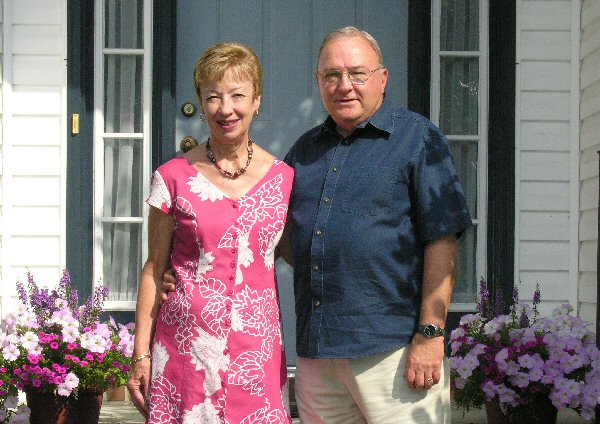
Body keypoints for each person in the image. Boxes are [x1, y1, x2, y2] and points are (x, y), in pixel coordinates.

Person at [164, 27, 471, 423]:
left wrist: (430, 333)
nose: (344, 86)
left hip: (392, 351)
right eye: (332, 75)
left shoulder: (417, 139)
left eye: (357, 74)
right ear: (319, 81)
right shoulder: (304, 152)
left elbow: (442, 239)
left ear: (382, 77)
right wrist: (188, 269)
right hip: (317, 354)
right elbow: (261, 231)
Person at [128, 42, 293, 423]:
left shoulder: (284, 180)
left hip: (257, 355)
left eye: (238, 95)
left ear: (257, 102)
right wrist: (141, 354)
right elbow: (155, 268)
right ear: (201, 105)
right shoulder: (171, 177)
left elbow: (295, 252)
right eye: (213, 97)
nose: (226, 108)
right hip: (186, 351)